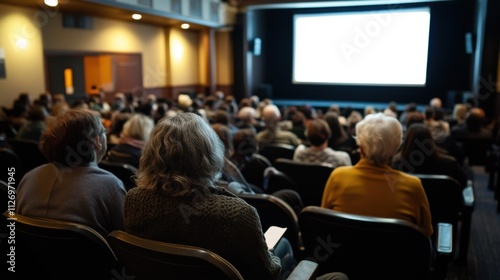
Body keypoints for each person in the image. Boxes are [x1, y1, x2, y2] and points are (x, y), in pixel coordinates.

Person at [124, 112, 295, 279]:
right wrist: (269, 252)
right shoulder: (238, 214)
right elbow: (267, 273)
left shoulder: (133, 200)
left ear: (150, 155)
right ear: (209, 156)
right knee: (285, 245)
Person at [16, 109, 126, 238]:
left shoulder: (28, 178)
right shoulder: (111, 186)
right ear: (97, 141)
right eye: (104, 132)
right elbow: (125, 242)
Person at [321, 113, 433, 237]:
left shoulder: (338, 177)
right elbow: (425, 235)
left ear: (361, 148)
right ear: (395, 149)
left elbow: (325, 225)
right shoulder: (413, 186)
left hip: (343, 255)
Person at [392, 124, 468, 189]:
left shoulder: (395, 165)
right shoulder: (449, 164)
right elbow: (463, 182)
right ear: (430, 140)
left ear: (407, 140)